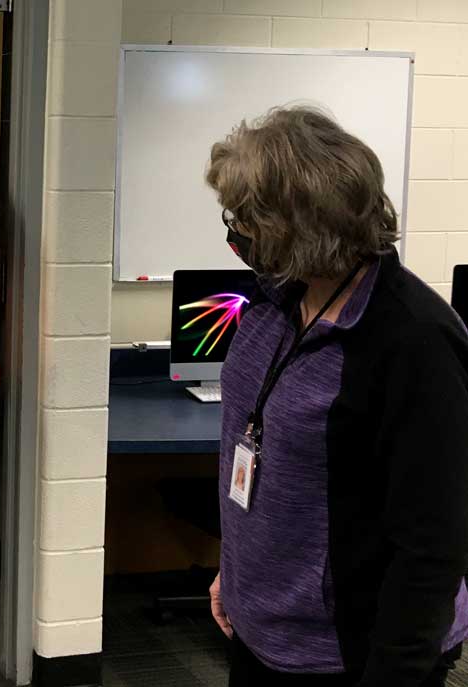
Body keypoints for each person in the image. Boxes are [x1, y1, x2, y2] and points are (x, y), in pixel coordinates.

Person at [205, 106, 468, 686]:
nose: (235, 236)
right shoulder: (275, 301)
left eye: (248, 221)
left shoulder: (412, 340)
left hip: (344, 651)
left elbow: (431, 544)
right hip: (260, 625)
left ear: (300, 226)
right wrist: (236, 570)